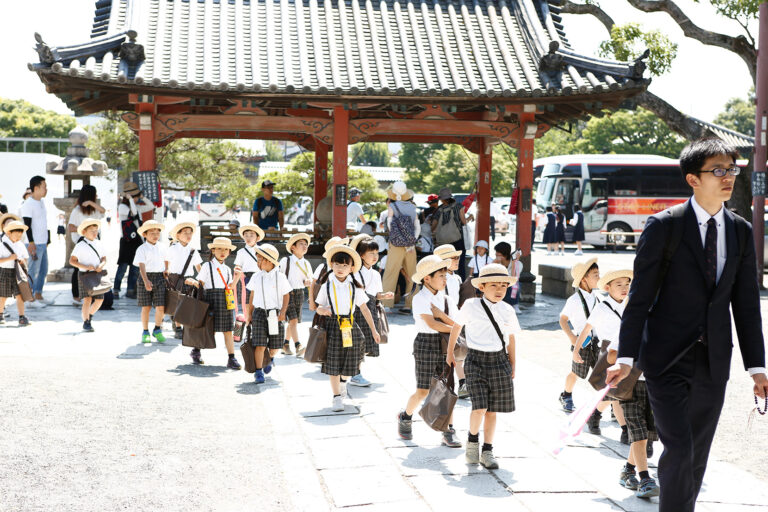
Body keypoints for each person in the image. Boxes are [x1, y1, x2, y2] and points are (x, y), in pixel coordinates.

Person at [608, 138, 767, 512]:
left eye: (732, 169)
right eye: (718, 171)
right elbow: (640, 297)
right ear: (693, 179)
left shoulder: (741, 230)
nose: (728, 177)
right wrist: (626, 357)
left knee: (697, 453)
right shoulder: (665, 226)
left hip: (714, 362)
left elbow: (745, 304)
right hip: (665, 358)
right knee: (679, 446)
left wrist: (757, 367)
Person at [576, 268, 659, 499]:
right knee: (638, 433)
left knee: (648, 434)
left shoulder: (662, 326)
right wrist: (633, 353)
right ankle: (644, 479)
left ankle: (628, 470)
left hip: (654, 385)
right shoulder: (629, 326)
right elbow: (612, 355)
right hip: (630, 384)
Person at [447, 263, 519, 470]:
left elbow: (511, 339)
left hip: (499, 360)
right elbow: (456, 327)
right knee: (479, 407)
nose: (499, 290)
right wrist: (450, 353)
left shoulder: (508, 310)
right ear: (482, 287)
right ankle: (472, 442)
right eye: (494, 285)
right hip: (476, 360)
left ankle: (488, 450)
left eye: (503, 286)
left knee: (492, 410)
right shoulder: (471, 305)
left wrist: (513, 363)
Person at [396, 255, 462, 448]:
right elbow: (432, 324)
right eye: (441, 275)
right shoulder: (419, 299)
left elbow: (457, 322)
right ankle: (405, 416)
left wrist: (445, 318)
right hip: (425, 343)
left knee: (448, 389)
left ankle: (448, 430)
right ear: (427, 278)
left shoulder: (447, 299)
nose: (445, 279)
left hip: (446, 345)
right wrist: (456, 328)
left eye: (445, 275)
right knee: (423, 390)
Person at [314, 245, 380, 412]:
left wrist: (374, 330)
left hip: (350, 325)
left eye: (345, 265)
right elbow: (318, 306)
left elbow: (364, 308)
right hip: (332, 325)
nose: (341, 268)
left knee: (353, 359)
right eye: (337, 264)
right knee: (333, 362)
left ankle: (343, 381)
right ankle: (336, 397)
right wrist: (323, 310)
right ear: (331, 265)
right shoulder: (327, 285)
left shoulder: (354, 287)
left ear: (351, 268)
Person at [558, 258, 612, 433]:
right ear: (584, 279)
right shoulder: (574, 299)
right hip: (582, 342)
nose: (598, 277)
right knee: (576, 372)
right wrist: (572, 337)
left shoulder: (598, 297)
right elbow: (562, 319)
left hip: (597, 342)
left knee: (603, 374)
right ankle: (566, 394)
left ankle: (606, 402)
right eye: (595, 275)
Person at [185, 237, 242, 369]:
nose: (223, 251)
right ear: (213, 250)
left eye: (226, 249)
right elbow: (200, 285)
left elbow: (230, 287)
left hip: (225, 301)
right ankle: (196, 351)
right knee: (209, 329)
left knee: (228, 330)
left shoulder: (228, 269)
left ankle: (231, 358)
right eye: (219, 249)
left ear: (229, 252)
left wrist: (237, 278)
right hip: (210, 299)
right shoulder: (207, 266)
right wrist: (192, 281)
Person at [350, 234, 394, 387]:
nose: (375, 256)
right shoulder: (354, 272)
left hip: (371, 309)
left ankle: (356, 371)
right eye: (371, 253)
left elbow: (376, 295)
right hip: (357, 309)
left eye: (377, 253)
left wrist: (385, 296)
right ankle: (355, 373)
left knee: (366, 343)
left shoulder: (375, 273)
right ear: (361, 255)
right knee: (358, 341)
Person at [245, 243, 291, 384]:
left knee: (275, 346)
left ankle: (270, 359)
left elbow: (286, 295)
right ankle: (258, 372)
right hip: (259, 313)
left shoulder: (280, 277)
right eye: (257, 259)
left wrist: (283, 311)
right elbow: (251, 296)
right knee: (259, 344)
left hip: (275, 315)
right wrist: (249, 314)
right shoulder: (256, 276)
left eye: (261, 259)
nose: (258, 263)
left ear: (270, 261)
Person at [434, 243, 469, 399]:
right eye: (453, 258)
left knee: (459, 351)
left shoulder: (457, 277)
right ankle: (451, 385)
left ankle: (462, 383)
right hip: (444, 320)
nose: (457, 260)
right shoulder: (439, 278)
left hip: (456, 318)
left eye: (457, 257)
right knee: (446, 354)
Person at [381, 182, 420, 313]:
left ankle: (386, 304)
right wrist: (411, 242)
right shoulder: (413, 207)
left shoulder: (392, 206)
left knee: (390, 272)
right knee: (412, 274)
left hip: (396, 244)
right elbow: (417, 227)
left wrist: (398, 238)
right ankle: (410, 305)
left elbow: (390, 225)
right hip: (410, 245)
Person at [165, 222, 203, 339]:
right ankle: (178, 328)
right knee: (177, 303)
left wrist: (202, 279)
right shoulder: (173, 248)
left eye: (190, 233)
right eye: (185, 232)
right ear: (178, 235)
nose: (188, 235)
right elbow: (166, 260)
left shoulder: (193, 250)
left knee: (187, 304)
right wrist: (166, 270)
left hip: (189, 279)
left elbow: (198, 266)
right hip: (174, 278)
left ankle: (181, 324)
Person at [68, 185, 106, 302]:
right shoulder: (77, 210)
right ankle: (76, 294)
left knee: (95, 266)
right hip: (82, 240)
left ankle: (94, 291)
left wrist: (91, 203)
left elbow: (103, 211)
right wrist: (85, 230)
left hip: (95, 241)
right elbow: (70, 227)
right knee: (79, 268)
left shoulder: (95, 209)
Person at [69, 219, 107, 332]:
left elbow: (104, 258)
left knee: (100, 299)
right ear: (84, 232)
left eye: (96, 230)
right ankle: (86, 322)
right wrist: (85, 267)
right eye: (92, 231)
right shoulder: (80, 245)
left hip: (97, 274)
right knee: (87, 299)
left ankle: (89, 315)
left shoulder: (99, 243)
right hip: (84, 275)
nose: (95, 233)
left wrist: (101, 265)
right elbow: (72, 261)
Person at [133, 220, 167, 344]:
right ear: (145, 234)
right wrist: (146, 280)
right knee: (146, 307)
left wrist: (166, 270)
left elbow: (166, 259)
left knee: (161, 306)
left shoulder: (162, 247)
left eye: (157, 232)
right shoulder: (141, 249)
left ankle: (157, 329)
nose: (155, 235)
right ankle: (145, 331)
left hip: (160, 277)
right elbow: (141, 266)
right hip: (145, 277)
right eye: (152, 232)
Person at [279, 233, 313, 356]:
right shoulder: (285, 260)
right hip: (287, 293)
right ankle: (298, 345)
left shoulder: (306, 263)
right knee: (293, 320)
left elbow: (308, 279)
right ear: (293, 247)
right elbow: (279, 277)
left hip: (300, 293)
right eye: (301, 244)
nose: (304, 246)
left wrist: (307, 282)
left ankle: (285, 344)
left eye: (306, 244)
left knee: (293, 321)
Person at [232, 223, 266, 343]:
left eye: (251, 234)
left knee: (257, 306)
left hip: (259, 279)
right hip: (245, 278)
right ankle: (245, 332)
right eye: (246, 234)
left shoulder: (262, 250)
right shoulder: (241, 252)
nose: (248, 237)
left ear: (257, 237)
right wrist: (238, 271)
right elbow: (237, 265)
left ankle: (255, 331)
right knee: (246, 306)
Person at [20, 176, 48, 305]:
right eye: (44, 187)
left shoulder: (41, 202)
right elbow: (27, 225)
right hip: (34, 243)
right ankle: (29, 298)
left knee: (43, 270)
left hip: (43, 242)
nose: (46, 189)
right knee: (32, 271)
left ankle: (38, 294)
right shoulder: (28, 204)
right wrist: (31, 243)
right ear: (36, 188)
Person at [114, 182, 144, 299]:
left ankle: (130, 290)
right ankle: (116, 289)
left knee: (134, 268)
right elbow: (133, 214)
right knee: (122, 267)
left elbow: (138, 213)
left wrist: (134, 200)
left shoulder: (136, 206)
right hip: (126, 241)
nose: (137, 198)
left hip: (136, 241)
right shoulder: (122, 207)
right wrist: (131, 200)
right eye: (135, 196)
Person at [431, 187, 468, 281]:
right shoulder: (458, 206)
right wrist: (470, 218)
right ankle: (461, 282)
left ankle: (445, 281)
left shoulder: (440, 209)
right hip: (457, 239)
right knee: (460, 263)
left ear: (442, 199)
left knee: (445, 262)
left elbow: (433, 225)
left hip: (444, 242)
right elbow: (463, 221)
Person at [0, 220, 31, 327]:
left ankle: (22, 316)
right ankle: (0, 315)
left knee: (20, 295)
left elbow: (25, 257)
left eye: (20, 235)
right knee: (3, 295)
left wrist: (22, 262)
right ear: (9, 233)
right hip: (5, 271)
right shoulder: (2, 244)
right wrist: (9, 258)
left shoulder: (20, 245)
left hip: (17, 272)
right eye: (16, 235)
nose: (18, 238)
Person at [309, 236, 349, 310]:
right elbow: (313, 284)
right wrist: (312, 302)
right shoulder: (323, 267)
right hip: (324, 305)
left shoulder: (347, 267)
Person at [494, 242, 522, 313]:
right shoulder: (496, 262)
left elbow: (513, 277)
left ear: (505, 254)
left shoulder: (518, 264)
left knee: (516, 284)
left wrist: (514, 262)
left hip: (509, 284)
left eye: (498, 253)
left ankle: (514, 304)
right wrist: (493, 263)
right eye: (496, 252)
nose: (496, 254)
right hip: (498, 283)